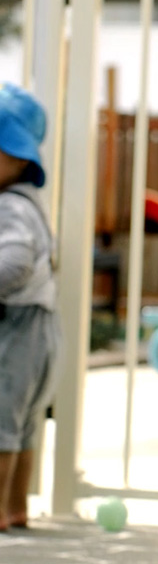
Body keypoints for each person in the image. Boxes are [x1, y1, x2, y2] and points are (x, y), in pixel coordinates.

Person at [0, 83, 60, 533]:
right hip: (40, 326)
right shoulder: (29, 203)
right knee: (22, 425)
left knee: (3, 420)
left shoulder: (9, 206)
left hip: (16, 325)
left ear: (17, 158)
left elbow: (16, 263)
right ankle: (16, 506)